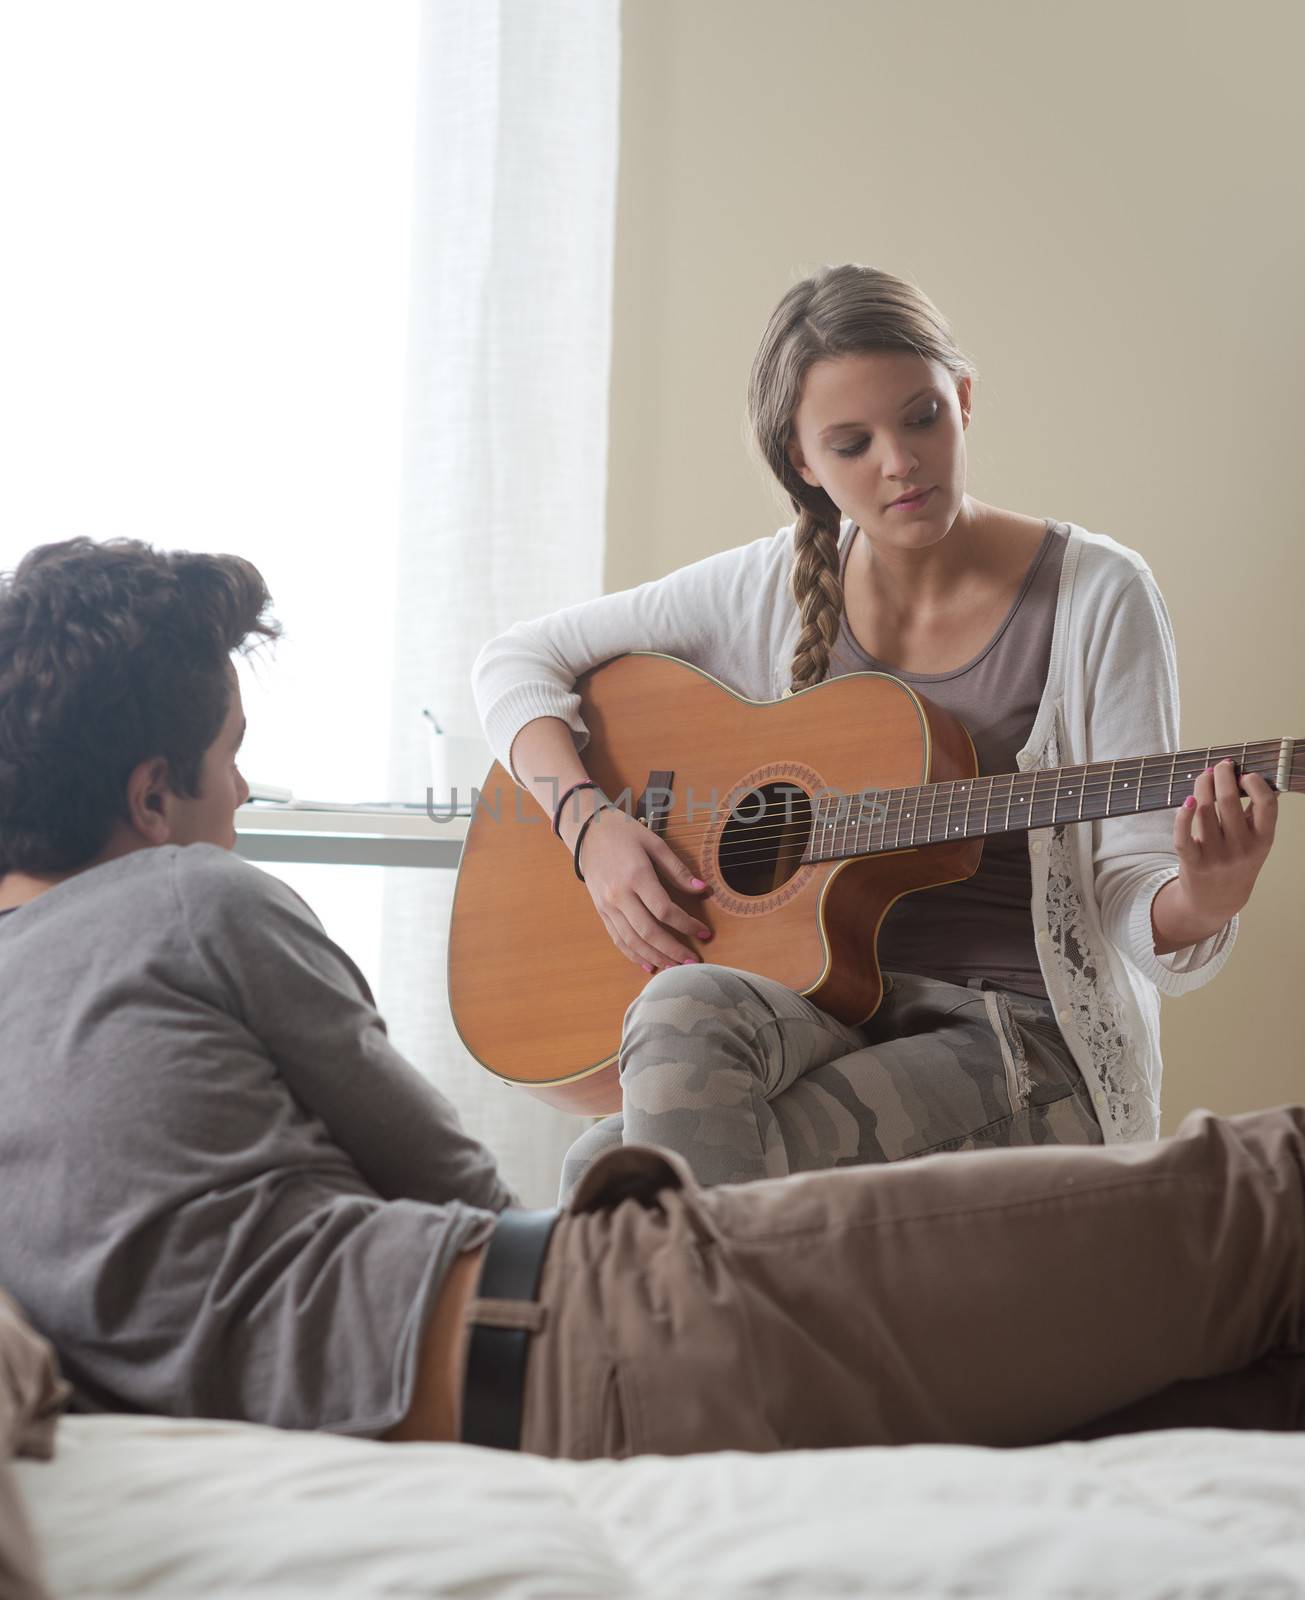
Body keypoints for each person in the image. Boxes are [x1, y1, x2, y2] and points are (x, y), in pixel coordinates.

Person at [1, 533, 1301, 1462]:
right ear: (147, 795)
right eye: (229, 759)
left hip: (550, 1352)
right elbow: (446, 1183)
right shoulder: (189, 899)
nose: (243, 795)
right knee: (1252, 1200)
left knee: (1187, 1364)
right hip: (585, 1331)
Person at [471, 264, 1278, 1196]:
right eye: (851, 443)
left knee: (611, 1170)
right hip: (826, 1009)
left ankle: (679, 1336)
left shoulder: (1097, 593)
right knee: (677, 1004)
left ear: (963, 399)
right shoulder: (771, 584)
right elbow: (515, 664)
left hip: (1016, 1039)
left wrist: (1205, 896)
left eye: (921, 418)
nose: (899, 462)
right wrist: (591, 831)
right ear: (802, 462)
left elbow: (1132, 892)